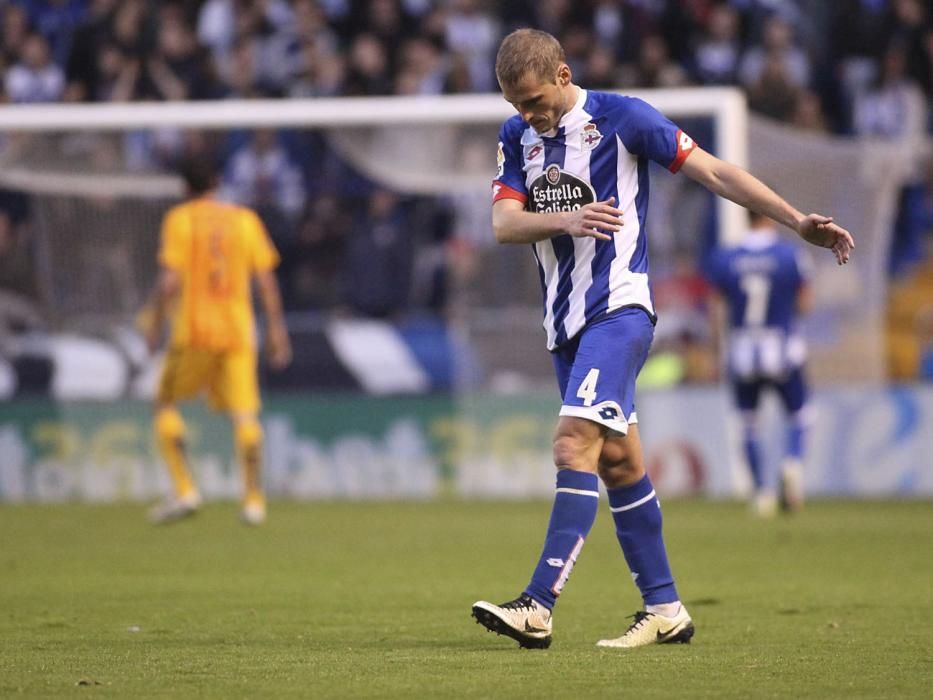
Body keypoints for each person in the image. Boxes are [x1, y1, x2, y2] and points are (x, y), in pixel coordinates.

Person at [471, 28, 853, 650]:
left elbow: (715, 172)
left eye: (536, 100)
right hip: (562, 326)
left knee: (573, 445)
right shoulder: (517, 138)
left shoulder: (623, 119)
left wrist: (795, 222)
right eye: (517, 104)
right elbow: (503, 223)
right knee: (620, 462)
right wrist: (566, 218)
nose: (528, 115)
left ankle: (537, 606)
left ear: (564, 76)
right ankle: (667, 608)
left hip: (619, 310)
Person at [144, 156, 292, 526]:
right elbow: (266, 280)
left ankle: (184, 489)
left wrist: (154, 321)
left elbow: (170, 281)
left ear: (185, 188)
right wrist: (276, 330)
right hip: (238, 333)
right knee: (245, 415)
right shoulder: (245, 220)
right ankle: (254, 501)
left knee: (164, 402)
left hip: (193, 332)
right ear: (217, 182)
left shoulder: (180, 220)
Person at [706, 211, 814, 517]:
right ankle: (792, 462)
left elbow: (716, 309)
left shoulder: (726, 257)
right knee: (801, 415)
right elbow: (805, 303)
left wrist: (717, 350)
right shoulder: (791, 255)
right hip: (782, 347)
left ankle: (762, 494)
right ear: (771, 219)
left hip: (742, 348)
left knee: (747, 422)